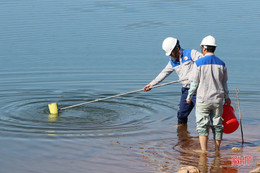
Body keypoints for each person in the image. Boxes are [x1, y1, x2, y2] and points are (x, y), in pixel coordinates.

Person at [186, 35, 231, 152]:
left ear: (204, 49)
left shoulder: (198, 63)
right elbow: (225, 84)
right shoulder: (222, 64)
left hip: (203, 100)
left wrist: (189, 96)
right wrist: (227, 97)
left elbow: (194, 83)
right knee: (217, 126)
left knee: (202, 126)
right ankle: (217, 150)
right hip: (217, 100)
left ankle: (204, 151)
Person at [143, 37, 203, 125]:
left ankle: (205, 136)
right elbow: (164, 73)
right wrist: (151, 84)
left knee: (202, 115)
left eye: (171, 53)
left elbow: (205, 63)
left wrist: (195, 75)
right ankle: (182, 135)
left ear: (177, 48)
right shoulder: (172, 62)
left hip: (199, 89)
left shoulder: (191, 53)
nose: (171, 55)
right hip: (186, 90)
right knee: (181, 115)